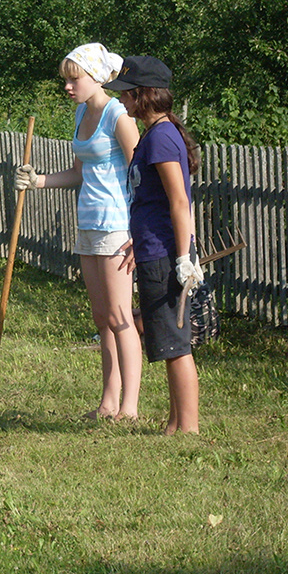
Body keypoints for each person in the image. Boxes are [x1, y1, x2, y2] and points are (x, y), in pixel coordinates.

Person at [15, 43, 142, 421]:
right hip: (87, 224)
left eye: (75, 79)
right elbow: (79, 173)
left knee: (121, 318)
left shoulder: (118, 115)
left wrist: (141, 229)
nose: (68, 87)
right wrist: (37, 181)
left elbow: (142, 175)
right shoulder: (81, 115)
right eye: (66, 81)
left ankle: (130, 407)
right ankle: (108, 401)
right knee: (101, 317)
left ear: (96, 77)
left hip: (117, 227)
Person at [105, 55, 203, 434]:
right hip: (152, 248)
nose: (122, 101)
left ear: (144, 94)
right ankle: (175, 422)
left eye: (127, 94)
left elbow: (179, 201)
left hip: (166, 254)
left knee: (175, 344)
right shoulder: (155, 133)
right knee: (166, 341)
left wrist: (183, 257)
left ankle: (188, 428)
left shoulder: (161, 137)